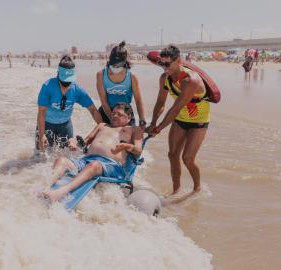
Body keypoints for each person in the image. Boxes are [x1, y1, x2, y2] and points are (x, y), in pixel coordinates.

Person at [41, 103, 143, 201]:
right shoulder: (102, 125)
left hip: (110, 165)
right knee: (61, 160)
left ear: (128, 117)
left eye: (119, 114)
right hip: (86, 160)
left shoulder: (134, 130)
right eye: (113, 113)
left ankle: (61, 192)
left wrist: (126, 146)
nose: (114, 116)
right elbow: (85, 142)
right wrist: (74, 143)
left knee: (94, 166)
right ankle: (45, 188)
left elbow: (138, 150)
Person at [147, 45, 210, 194]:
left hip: (198, 123)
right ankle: (176, 191)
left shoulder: (191, 81)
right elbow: (160, 103)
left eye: (167, 64)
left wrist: (159, 129)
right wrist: (153, 123)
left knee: (187, 158)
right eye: (161, 64)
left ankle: (197, 188)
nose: (164, 67)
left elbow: (175, 109)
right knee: (172, 155)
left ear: (179, 61)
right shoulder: (164, 78)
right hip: (180, 120)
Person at [36, 55, 102, 151]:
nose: (66, 86)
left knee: (67, 155)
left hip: (65, 126)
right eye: (63, 82)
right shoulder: (47, 86)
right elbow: (41, 113)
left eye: (69, 82)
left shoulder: (77, 90)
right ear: (58, 74)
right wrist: (42, 135)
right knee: (40, 157)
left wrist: (104, 130)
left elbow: (93, 110)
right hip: (46, 125)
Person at [96, 41, 147, 128]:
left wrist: (142, 120)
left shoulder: (132, 77)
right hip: (107, 111)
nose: (115, 67)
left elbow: (138, 100)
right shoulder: (101, 75)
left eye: (118, 65)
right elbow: (103, 101)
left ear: (124, 62)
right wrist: (112, 119)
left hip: (125, 112)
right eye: (113, 65)